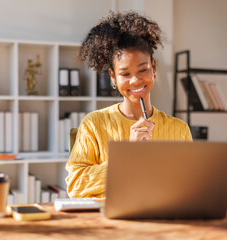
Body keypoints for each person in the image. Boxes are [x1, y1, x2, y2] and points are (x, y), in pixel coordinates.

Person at [66, 11, 192, 198]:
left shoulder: (178, 129)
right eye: (125, 74)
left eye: (143, 70)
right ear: (113, 77)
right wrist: (127, 156)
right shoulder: (93, 124)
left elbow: (190, 184)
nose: (135, 81)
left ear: (154, 68)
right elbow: (76, 186)